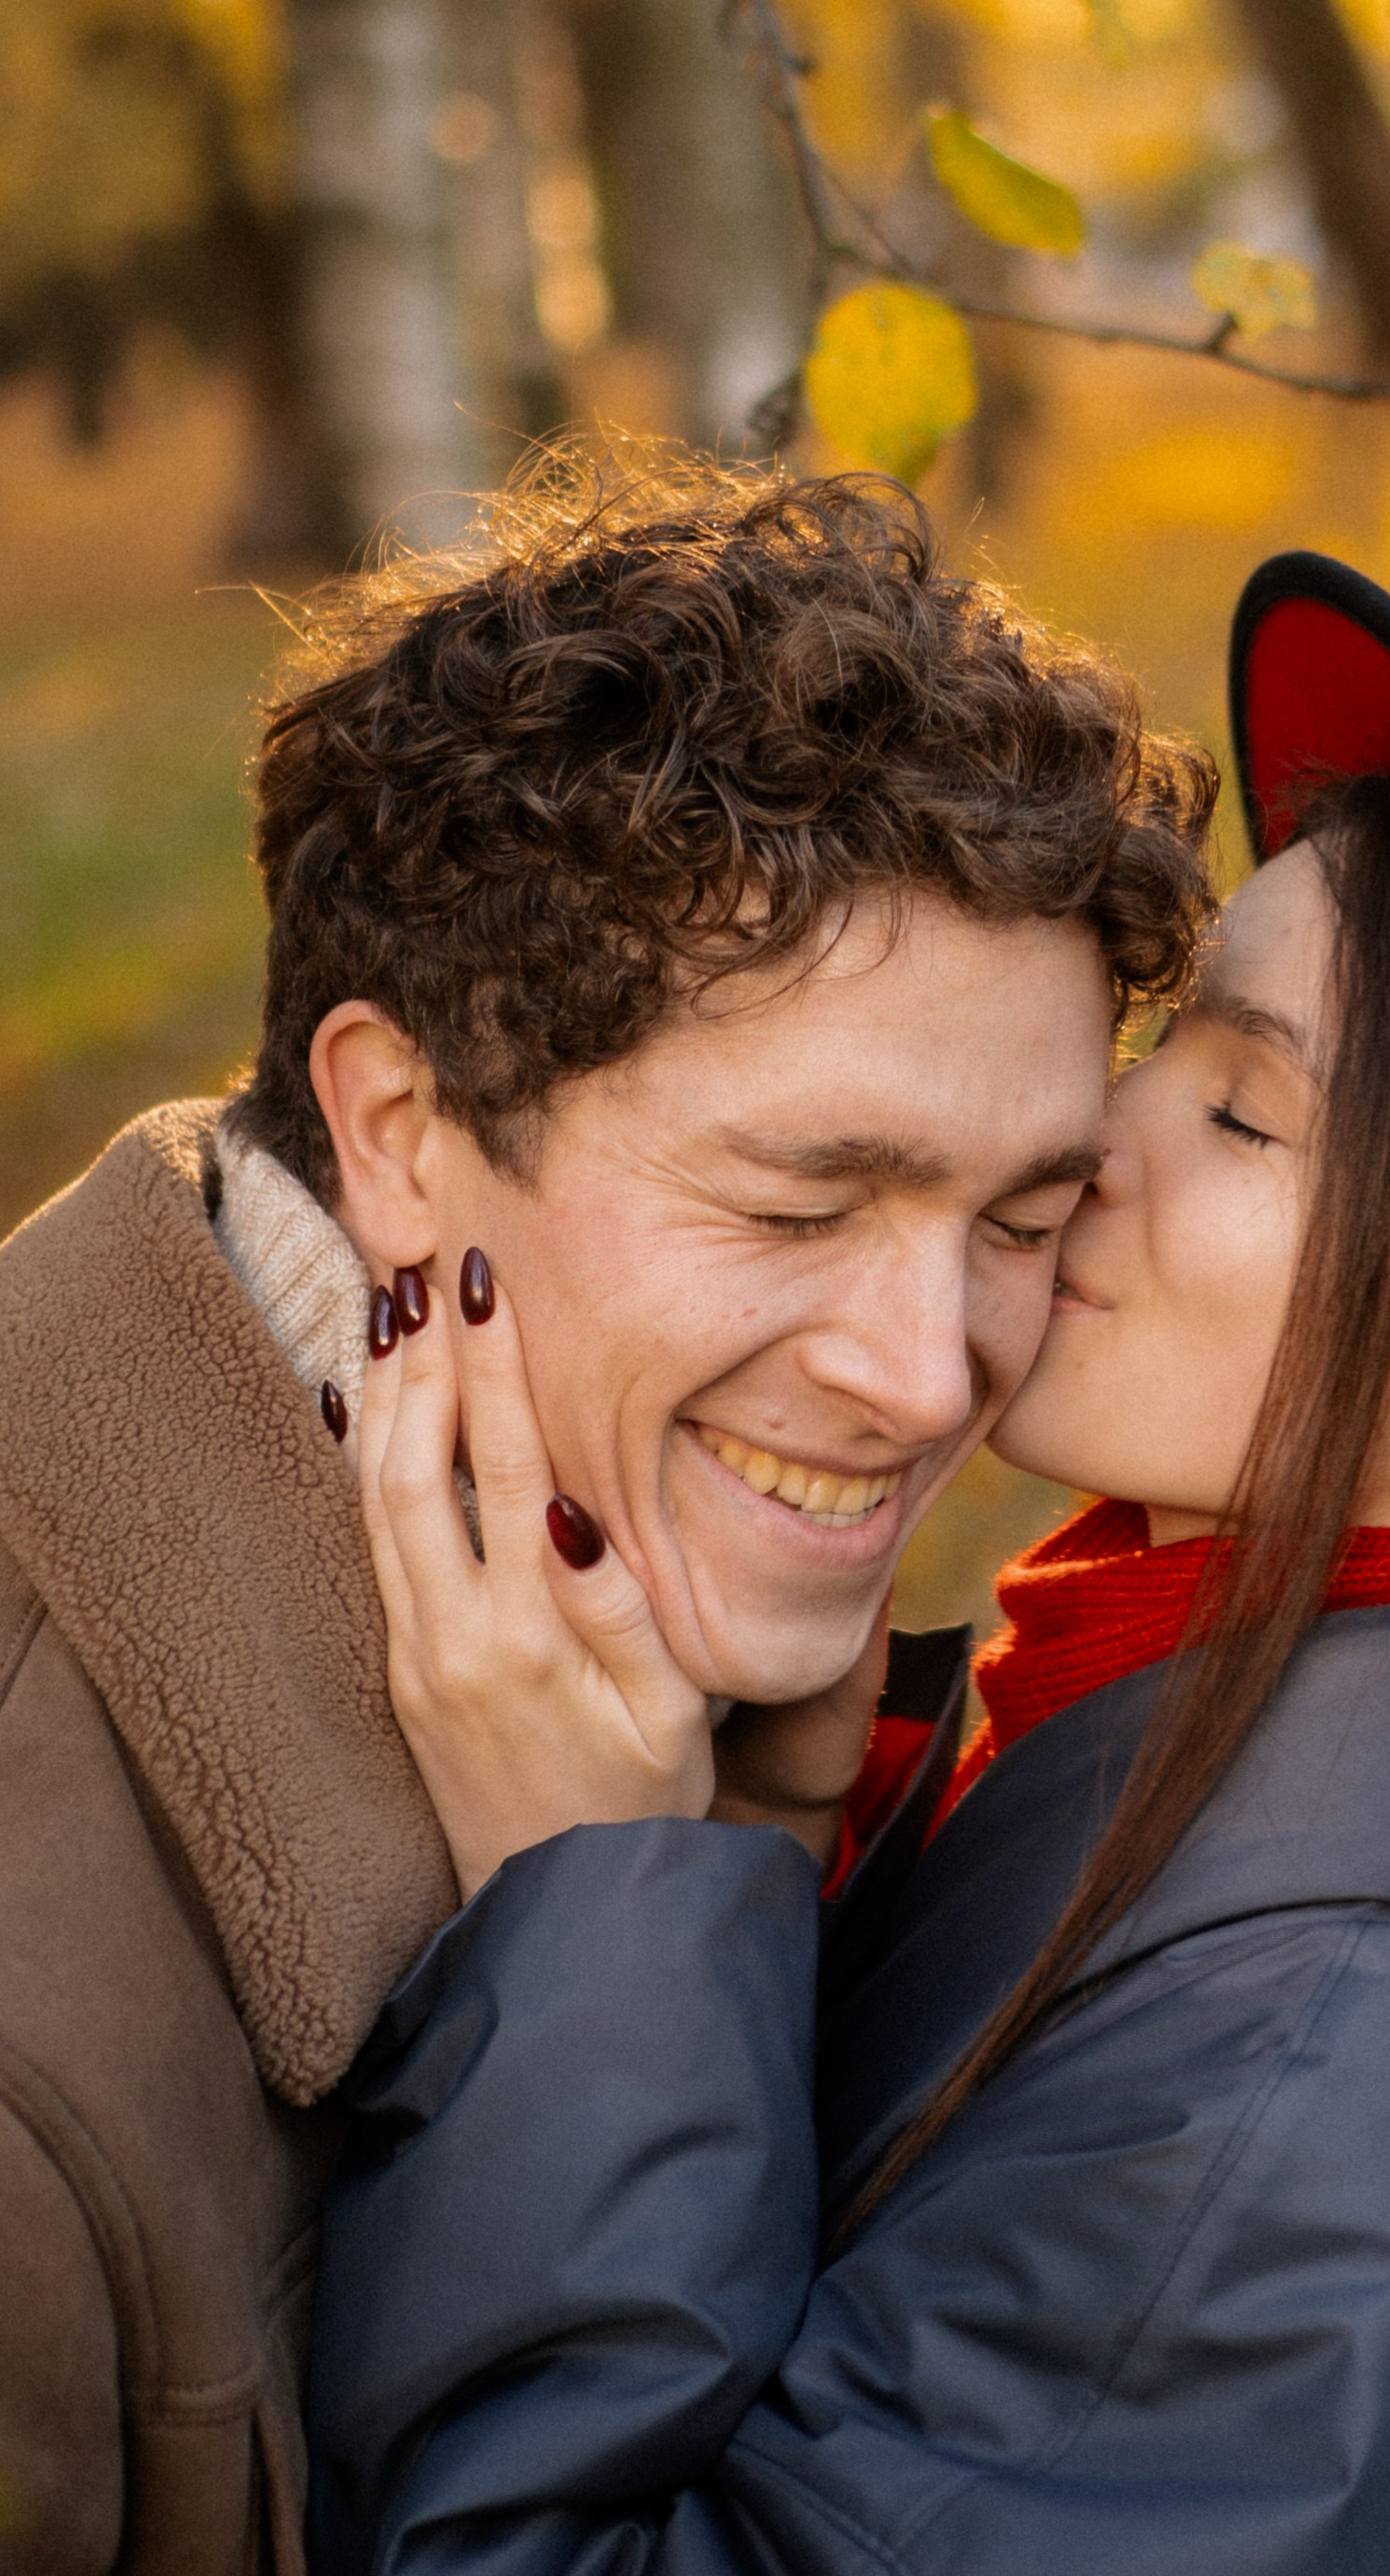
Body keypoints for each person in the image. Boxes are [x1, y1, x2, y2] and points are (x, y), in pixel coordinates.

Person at [306, 550, 1390, 2576]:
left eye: (1242, 1113)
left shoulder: (1316, 2118)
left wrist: (583, 1920)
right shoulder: (1212, 1781)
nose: (1083, 1147)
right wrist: (787, 1831)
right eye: (1171, 1036)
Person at [0, 448, 1211, 2576]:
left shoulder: (696, 1677)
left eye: (1019, 1217)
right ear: (399, 1128)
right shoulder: (36, 2064)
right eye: (794, 1202)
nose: (930, 1377)